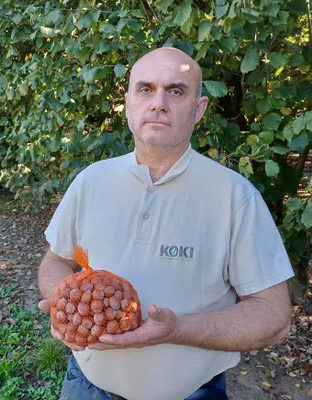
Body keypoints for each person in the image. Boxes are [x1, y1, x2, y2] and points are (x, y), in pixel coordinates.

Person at [38, 47, 294, 400]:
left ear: (198, 109)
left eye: (176, 91)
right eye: (145, 89)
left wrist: (176, 329)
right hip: (85, 387)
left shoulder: (234, 197)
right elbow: (56, 259)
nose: (158, 103)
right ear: (128, 104)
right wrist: (66, 300)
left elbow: (274, 316)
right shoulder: (91, 181)